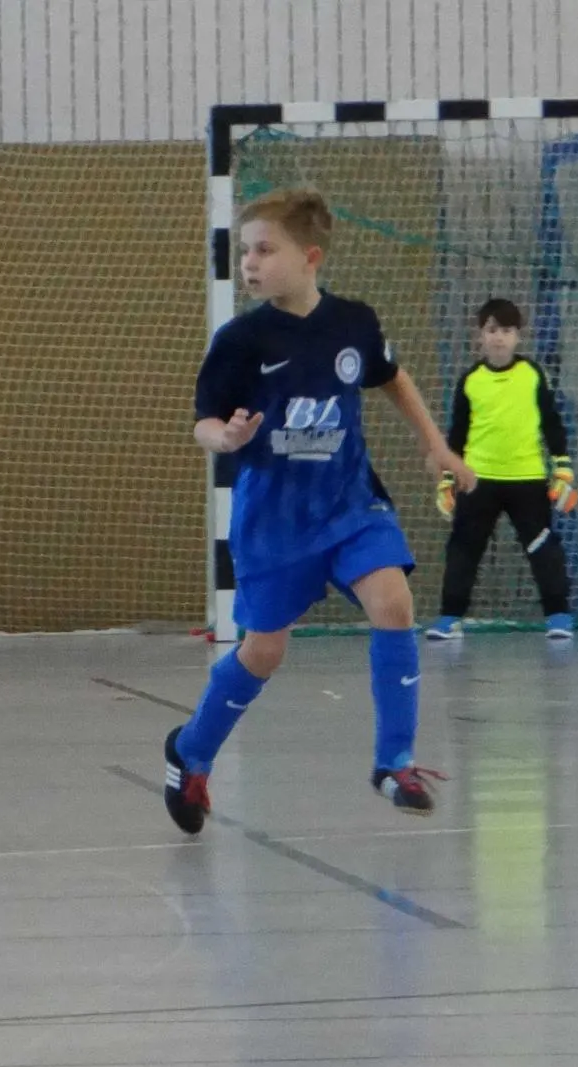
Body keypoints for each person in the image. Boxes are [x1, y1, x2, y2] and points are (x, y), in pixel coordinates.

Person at [165, 187, 476, 835]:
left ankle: (394, 762)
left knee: (394, 604)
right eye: (244, 252)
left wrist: (436, 445)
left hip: (350, 504)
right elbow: (204, 422)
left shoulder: (353, 323)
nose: (249, 263)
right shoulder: (241, 339)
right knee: (263, 652)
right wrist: (225, 438)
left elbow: (391, 376)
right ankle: (191, 751)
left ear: (310, 257)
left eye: (264, 250)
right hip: (273, 522)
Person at [425, 297, 578, 641]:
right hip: (477, 480)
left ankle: (558, 616)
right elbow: (458, 434)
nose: (499, 338)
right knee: (464, 548)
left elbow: (552, 424)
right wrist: (448, 479)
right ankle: (450, 618)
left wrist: (563, 468)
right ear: (480, 335)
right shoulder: (470, 380)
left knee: (543, 547)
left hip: (527, 479)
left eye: (507, 331)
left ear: (518, 336)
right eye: (492, 330)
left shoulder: (533, 375)